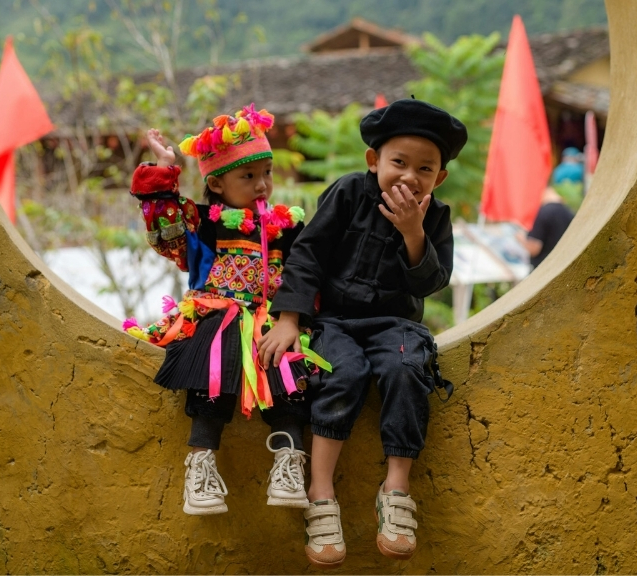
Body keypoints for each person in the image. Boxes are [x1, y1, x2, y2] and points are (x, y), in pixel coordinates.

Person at [257, 99, 464, 568]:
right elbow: (308, 254)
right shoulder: (349, 192)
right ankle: (321, 491)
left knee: (407, 367)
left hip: (396, 325)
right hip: (334, 323)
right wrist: (289, 319)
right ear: (374, 161)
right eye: (398, 163)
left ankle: (395, 488)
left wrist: (414, 232)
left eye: (425, 169)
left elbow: (433, 281)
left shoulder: (436, 217)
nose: (410, 177)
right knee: (342, 373)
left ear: (440, 177)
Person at [123, 104, 329, 516]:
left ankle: (288, 463)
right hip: (216, 314)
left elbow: (309, 271)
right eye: (248, 176)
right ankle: (200, 467)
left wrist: (295, 316)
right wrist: (165, 171)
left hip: (273, 320)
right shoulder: (203, 223)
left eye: (267, 173)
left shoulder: (287, 227)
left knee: (286, 367)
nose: (262, 185)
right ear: (215, 184)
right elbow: (165, 231)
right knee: (215, 366)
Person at [523, 186, 575, 268]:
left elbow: (534, 248)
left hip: (543, 267)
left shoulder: (542, 212)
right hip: (562, 265)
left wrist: (520, 238)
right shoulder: (569, 212)